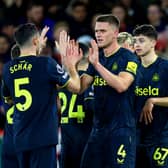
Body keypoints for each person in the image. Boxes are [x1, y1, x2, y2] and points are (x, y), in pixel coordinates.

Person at [58, 14, 139, 168]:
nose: (98, 35)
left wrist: (97, 66)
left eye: (103, 31)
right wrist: (70, 66)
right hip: (98, 131)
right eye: (96, 31)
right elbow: (78, 88)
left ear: (115, 33)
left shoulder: (128, 57)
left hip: (121, 130)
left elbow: (122, 85)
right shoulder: (98, 58)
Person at [1, 23, 81, 168]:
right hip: (43, 139)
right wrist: (70, 66)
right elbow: (76, 87)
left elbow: (9, 99)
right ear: (36, 41)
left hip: (20, 138)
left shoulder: (7, 68)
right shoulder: (46, 64)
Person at [133, 24, 168, 168]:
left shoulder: (165, 68)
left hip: (161, 136)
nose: (137, 45)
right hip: (136, 136)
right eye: (135, 41)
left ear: (153, 42)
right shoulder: (131, 68)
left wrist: (153, 100)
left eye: (141, 40)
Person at [58, 49, 94, 168]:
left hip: (66, 136)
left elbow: (56, 107)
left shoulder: (62, 82)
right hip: (85, 135)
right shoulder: (90, 79)